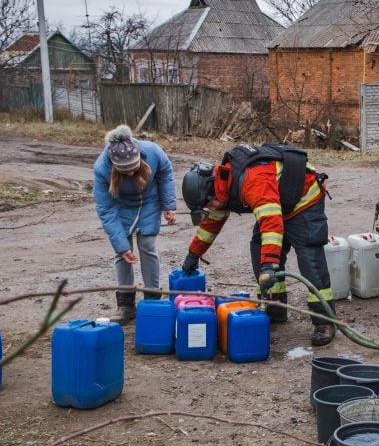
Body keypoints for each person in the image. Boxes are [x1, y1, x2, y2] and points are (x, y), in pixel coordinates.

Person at [181, 143, 336, 347]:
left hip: (304, 201)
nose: (208, 210)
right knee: (258, 247)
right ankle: (275, 308)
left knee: (309, 258)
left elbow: (271, 224)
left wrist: (269, 265)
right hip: (279, 201)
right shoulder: (221, 188)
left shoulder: (252, 180)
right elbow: (211, 224)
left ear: (210, 193)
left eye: (207, 207)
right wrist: (193, 254)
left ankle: (325, 322)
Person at [93, 124, 177, 325]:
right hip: (121, 206)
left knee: (147, 246)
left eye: (134, 169)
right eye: (125, 171)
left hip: (148, 201)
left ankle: (152, 300)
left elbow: (165, 173)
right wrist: (121, 246)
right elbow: (106, 210)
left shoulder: (152, 151)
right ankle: (126, 305)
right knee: (123, 254)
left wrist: (168, 205)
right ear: (114, 168)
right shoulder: (101, 169)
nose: (130, 174)